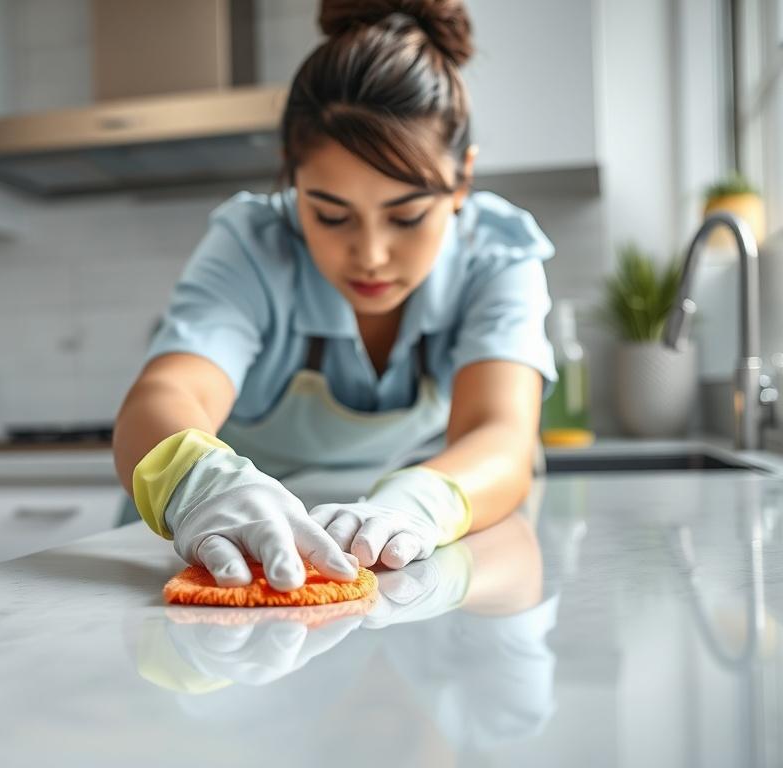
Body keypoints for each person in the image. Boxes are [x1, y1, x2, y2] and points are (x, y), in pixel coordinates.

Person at [113, 0, 558, 593]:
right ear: (292, 179)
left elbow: (501, 434)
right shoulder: (252, 246)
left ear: (462, 181)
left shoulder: (497, 255)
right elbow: (166, 393)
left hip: (381, 552)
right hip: (213, 551)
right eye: (330, 215)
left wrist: (419, 501)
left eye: (406, 217)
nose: (371, 254)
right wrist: (200, 486)